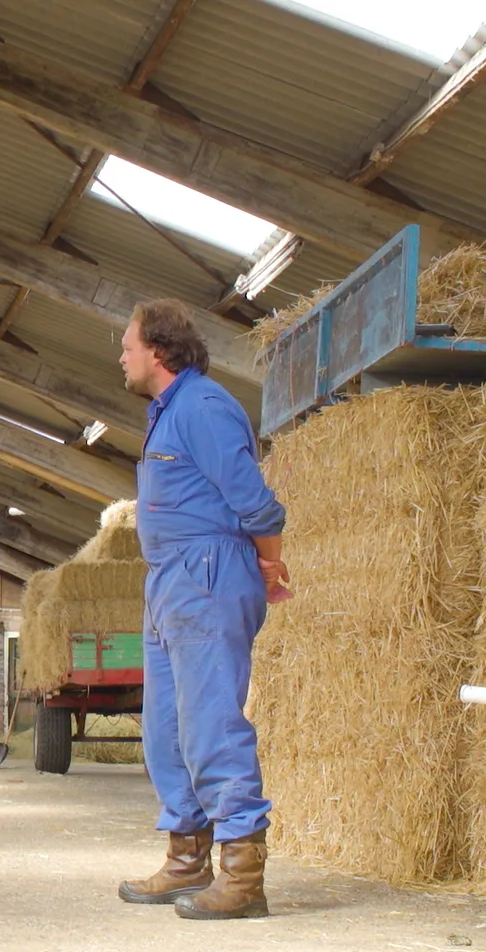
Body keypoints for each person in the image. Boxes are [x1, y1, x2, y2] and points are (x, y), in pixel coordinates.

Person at [112, 299, 292, 920]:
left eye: (129, 346)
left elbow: (257, 502)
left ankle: (243, 874)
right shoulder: (167, 413)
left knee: (211, 721)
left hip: (207, 571)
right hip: (168, 581)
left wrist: (268, 563)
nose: (122, 356)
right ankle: (187, 859)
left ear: (158, 351)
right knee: (166, 729)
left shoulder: (203, 406)